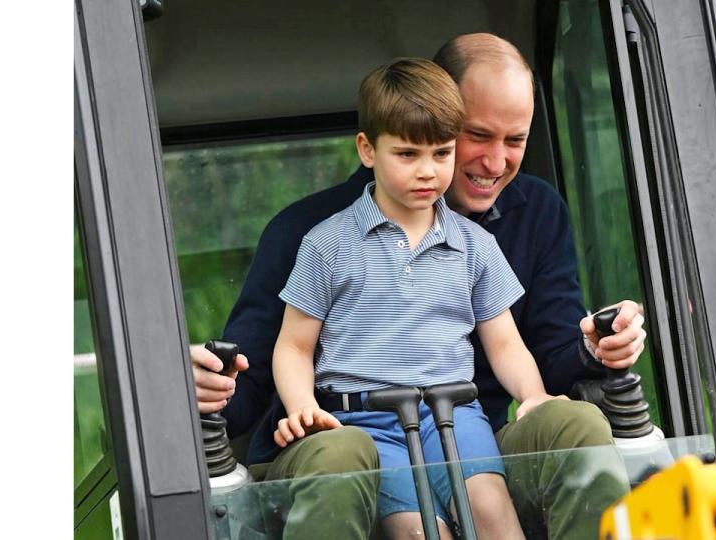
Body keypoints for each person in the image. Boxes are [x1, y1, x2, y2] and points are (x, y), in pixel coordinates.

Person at [192, 33, 647, 539]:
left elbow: (522, 343)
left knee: (572, 431)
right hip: (354, 430)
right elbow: (273, 359)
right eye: (479, 135)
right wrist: (212, 387)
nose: (496, 163)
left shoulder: (507, 227)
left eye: (515, 140)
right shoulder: (316, 236)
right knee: (388, 500)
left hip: (461, 422)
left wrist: (592, 349)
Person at [271, 57, 564, 539]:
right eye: (407, 154)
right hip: (366, 420)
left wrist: (532, 396)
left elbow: (506, 343)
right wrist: (303, 407)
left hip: (454, 415)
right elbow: (295, 346)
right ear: (367, 149)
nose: (428, 171)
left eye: (442, 154)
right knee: (419, 533)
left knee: (492, 514)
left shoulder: (475, 245)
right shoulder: (327, 243)